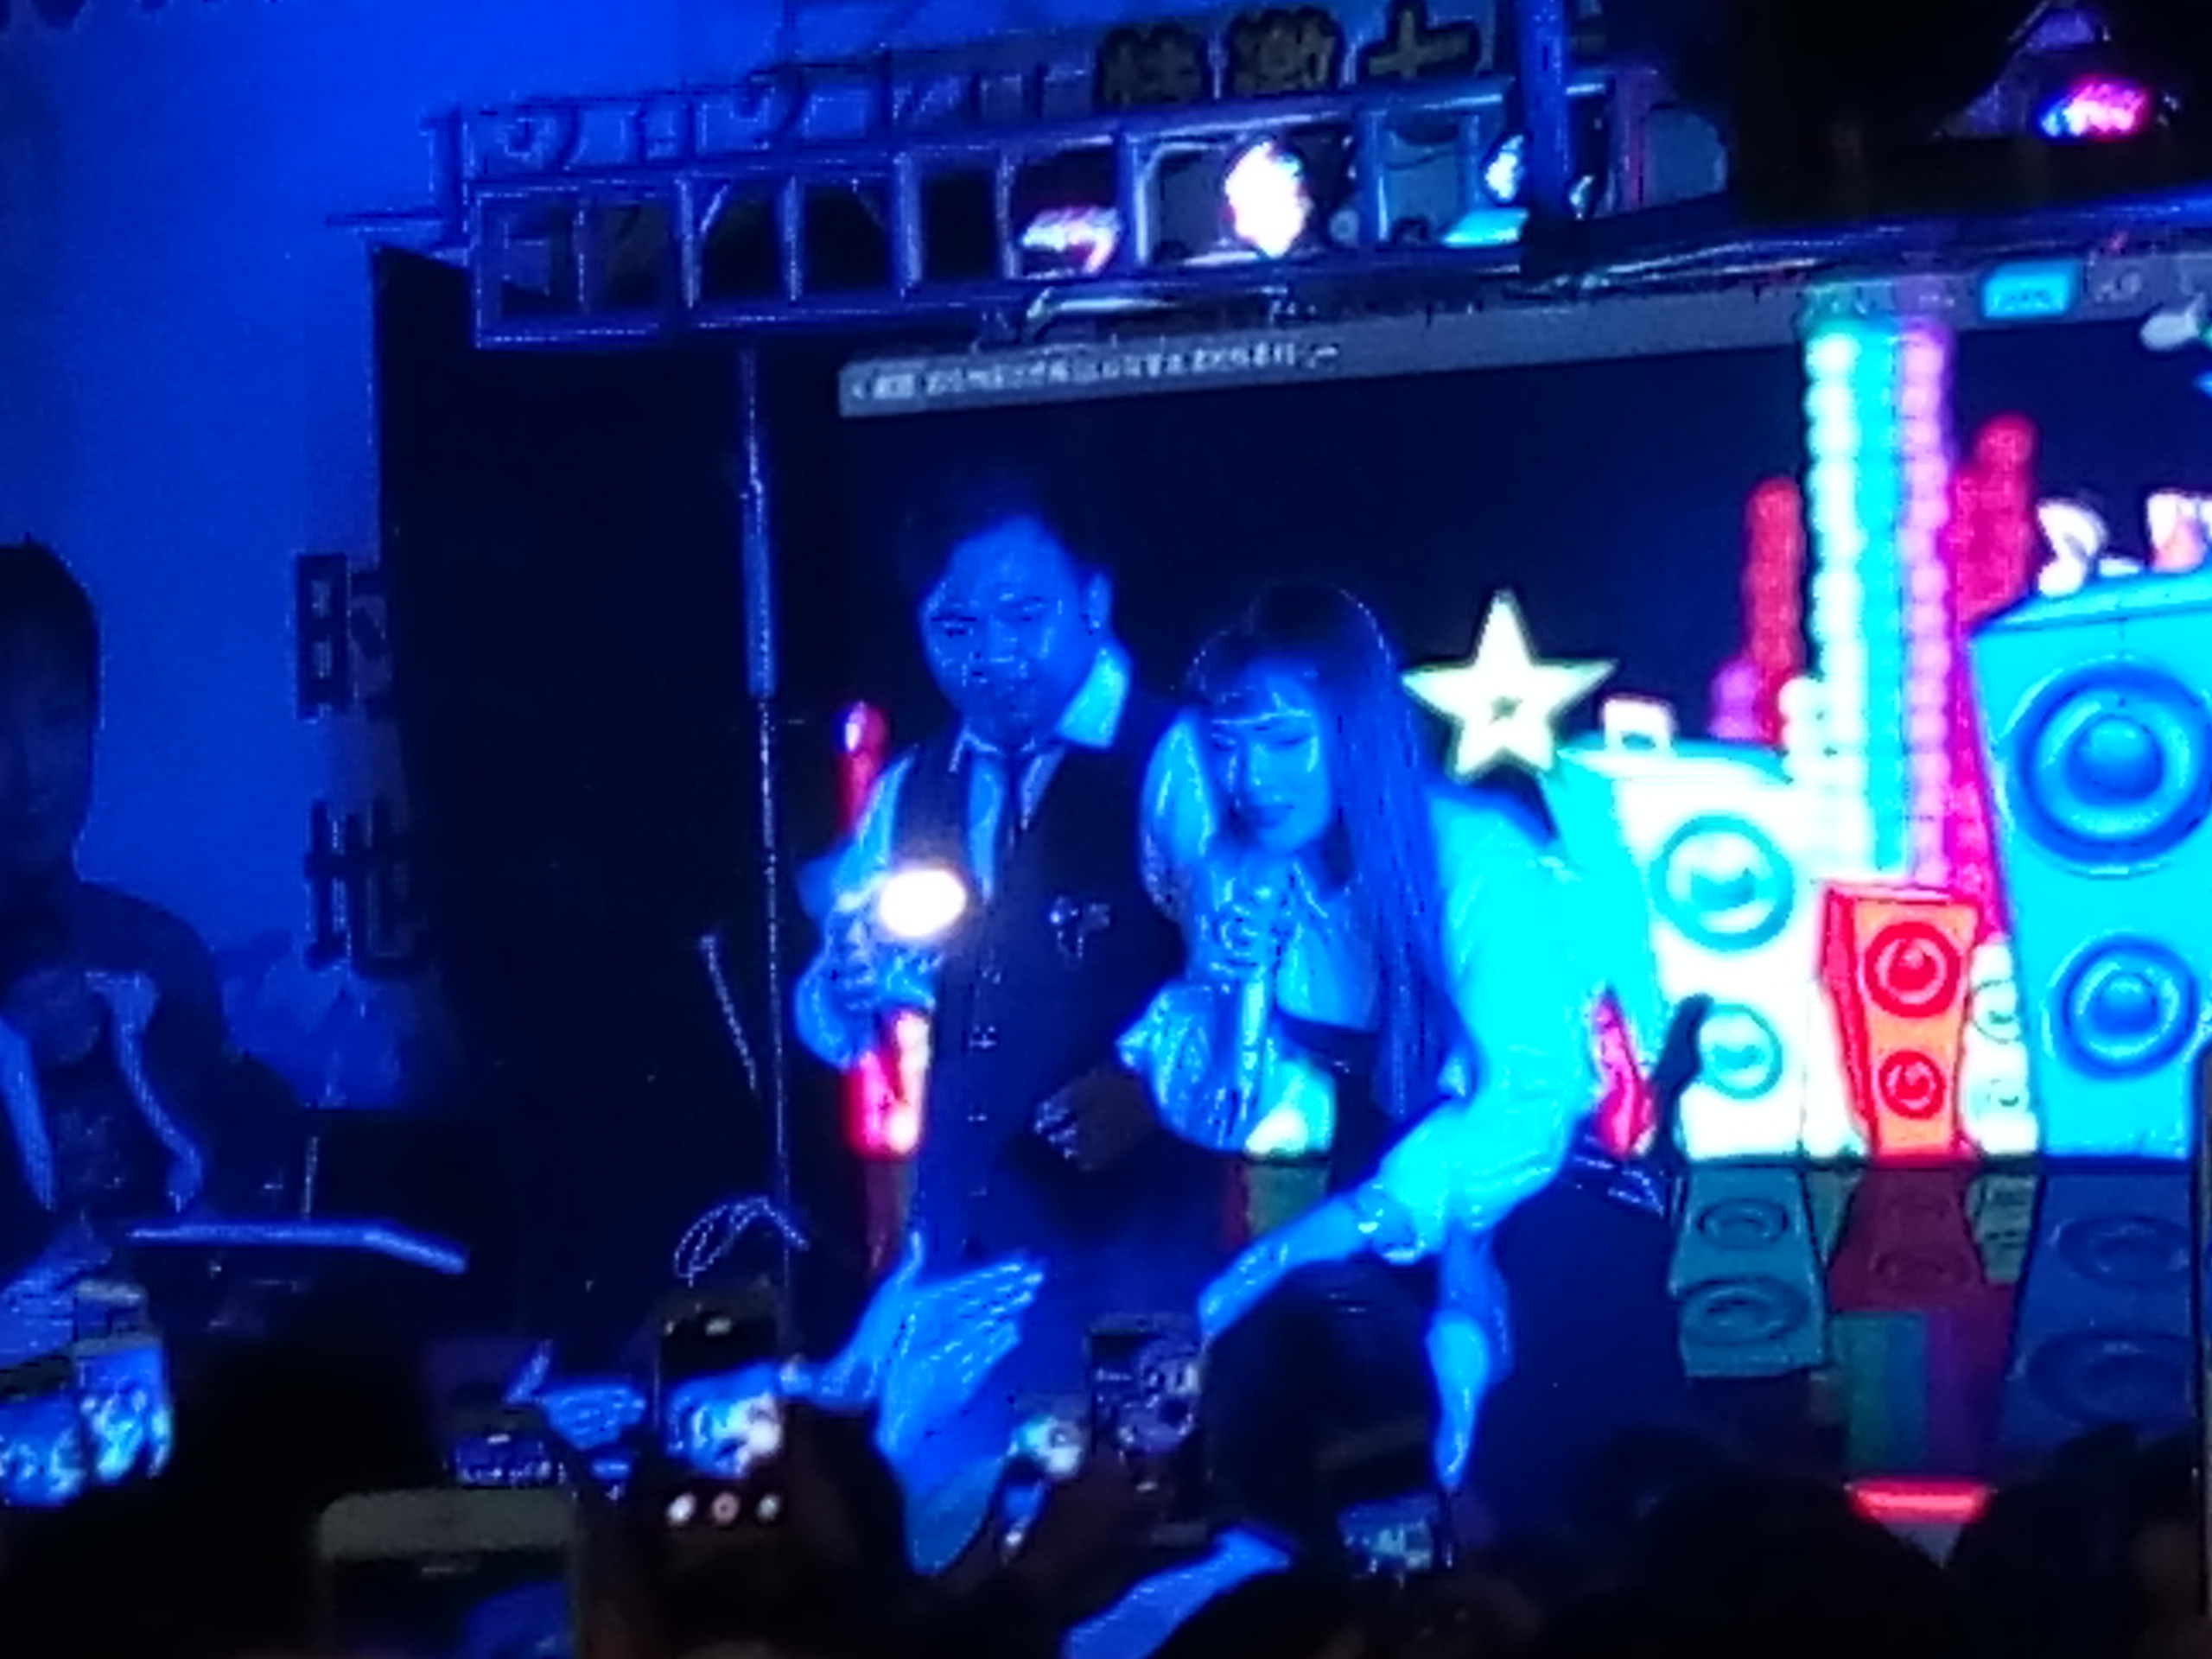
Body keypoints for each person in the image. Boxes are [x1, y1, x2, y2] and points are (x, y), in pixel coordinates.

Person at [793, 470, 1215, 1566]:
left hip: (1136, 1263)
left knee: (1137, 1555)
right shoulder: (915, 784)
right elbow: (836, 1003)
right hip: (967, 1261)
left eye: (1025, 615)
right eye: (956, 627)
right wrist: (846, 992)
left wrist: (1147, 1078)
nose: (993, 655)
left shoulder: (1173, 761)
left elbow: (1244, 970)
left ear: (1093, 600)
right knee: (952, 1560)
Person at [1119, 582, 1598, 1491]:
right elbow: (1222, 1115)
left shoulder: (1478, 861)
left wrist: (1338, 1230)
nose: (1251, 779)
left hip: (1541, 1214)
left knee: (1512, 1503)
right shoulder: (1238, 870)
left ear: (1353, 734)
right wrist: (1227, 988)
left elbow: (1531, 1098)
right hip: (1369, 1221)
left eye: (1283, 741)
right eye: (1226, 746)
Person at [0, 540, 290, 1306]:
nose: (30, 770)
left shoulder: (155, 957)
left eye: (59, 718)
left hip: (154, 1361)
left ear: (96, 720)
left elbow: (232, 1178)